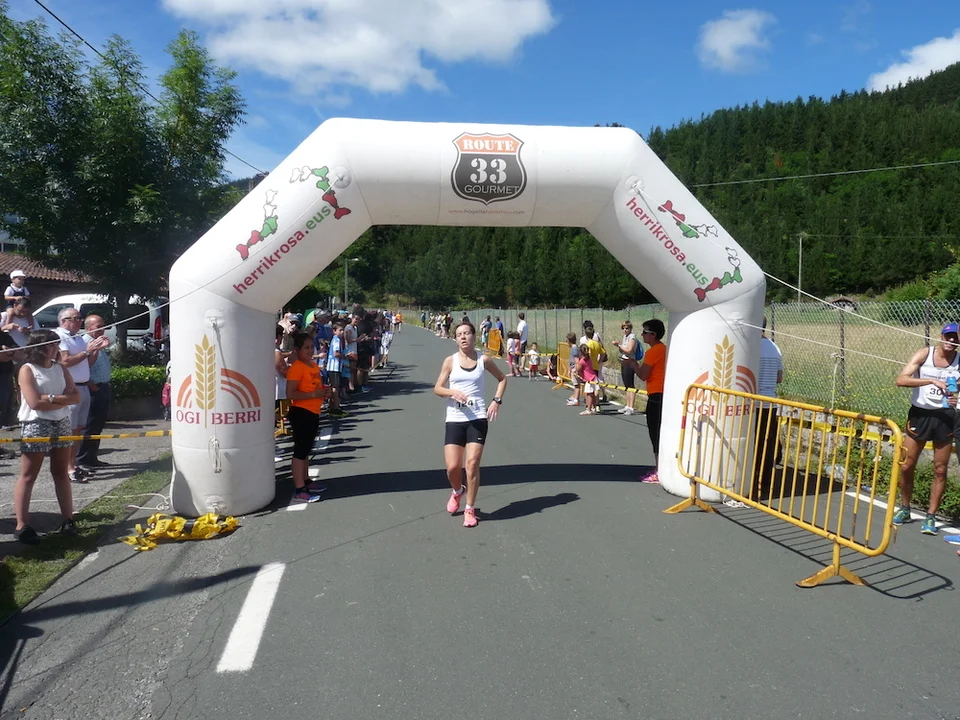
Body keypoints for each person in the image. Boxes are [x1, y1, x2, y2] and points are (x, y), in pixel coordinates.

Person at [433, 320, 507, 528]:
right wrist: (452, 392)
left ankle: (469, 508)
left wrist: (496, 401)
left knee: (472, 464)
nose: (463, 337)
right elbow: (437, 388)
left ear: (474, 336)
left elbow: (502, 379)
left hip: (477, 418)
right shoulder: (450, 361)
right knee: (452, 468)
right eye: (459, 334)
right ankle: (458, 491)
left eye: (467, 333)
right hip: (455, 418)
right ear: (455, 339)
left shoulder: (484, 360)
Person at [13, 328, 81, 544]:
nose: (55, 348)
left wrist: (50, 398)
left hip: (61, 421)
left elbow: (76, 396)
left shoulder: (60, 368)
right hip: (36, 423)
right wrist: (61, 399)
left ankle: (68, 519)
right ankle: (22, 525)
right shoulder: (28, 369)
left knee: (60, 472)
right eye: (51, 344)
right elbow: (34, 402)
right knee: (28, 475)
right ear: (39, 347)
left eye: (56, 344)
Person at [893, 323, 960, 535]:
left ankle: (931, 516)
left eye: (956, 338)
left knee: (940, 469)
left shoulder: (959, 360)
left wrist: (956, 397)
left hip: (945, 417)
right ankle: (905, 508)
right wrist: (931, 380)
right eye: (948, 336)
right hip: (920, 415)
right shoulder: (925, 354)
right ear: (941, 336)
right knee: (906, 465)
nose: (952, 341)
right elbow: (901, 380)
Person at [56, 307, 108, 483]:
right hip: (70, 388)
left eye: (80, 318)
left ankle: (74, 465)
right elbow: (64, 361)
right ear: (64, 320)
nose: (79, 321)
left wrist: (96, 349)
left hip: (83, 388)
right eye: (75, 318)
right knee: (70, 430)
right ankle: (68, 467)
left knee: (78, 429)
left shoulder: (78, 338)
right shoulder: (61, 336)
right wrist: (86, 351)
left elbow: (88, 363)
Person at [285, 332, 331, 504]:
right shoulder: (297, 367)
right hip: (301, 412)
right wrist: (313, 394)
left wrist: (324, 392)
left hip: (313, 411)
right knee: (300, 451)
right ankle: (299, 489)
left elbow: (315, 387)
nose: (310, 350)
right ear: (298, 350)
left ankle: (305, 480)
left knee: (305, 450)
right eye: (306, 348)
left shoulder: (313, 365)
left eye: (312, 347)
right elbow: (290, 393)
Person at [751, 318, 784, 500]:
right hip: (770, 402)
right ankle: (765, 482)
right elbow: (779, 378)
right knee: (767, 442)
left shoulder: (751, 347)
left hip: (752, 403)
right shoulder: (774, 348)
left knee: (752, 443)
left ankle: (750, 480)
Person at [76, 315, 112, 471]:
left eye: (103, 325)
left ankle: (92, 457)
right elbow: (84, 366)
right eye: (98, 326)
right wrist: (90, 384)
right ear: (88, 328)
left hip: (103, 386)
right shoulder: (85, 342)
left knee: (98, 425)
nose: (102, 329)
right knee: (89, 425)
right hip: (93, 388)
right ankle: (82, 459)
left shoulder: (98, 341)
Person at [637, 319, 667, 483]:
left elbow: (643, 375)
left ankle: (659, 470)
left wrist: (632, 364)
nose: (642, 335)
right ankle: (661, 468)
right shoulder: (664, 349)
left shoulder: (653, 352)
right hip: (664, 393)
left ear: (653, 335)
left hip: (656, 394)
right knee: (660, 431)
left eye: (645, 332)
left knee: (655, 432)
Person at [613, 321, 642, 415]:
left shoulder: (632, 337)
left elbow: (629, 350)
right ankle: (627, 405)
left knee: (630, 385)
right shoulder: (625, 337)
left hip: (630, 362)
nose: (625, 330)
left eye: (627, 328)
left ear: (630, 328)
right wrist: (619, 346)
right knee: (626, 385)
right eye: (623, 328)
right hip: (624, 361)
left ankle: (631, 407)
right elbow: (623, 350)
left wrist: (619, 345)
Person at [576, 343, 599, 416]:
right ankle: (593, 407)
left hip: (589, 379)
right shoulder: (589, 358)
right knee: (592, 393)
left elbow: (578, 369)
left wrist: (577, 363)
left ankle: (588, 409)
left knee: (589, 394)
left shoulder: (582, 361)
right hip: (594, 377)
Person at [565, 333, 582, 407]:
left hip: (575, 368)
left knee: (577, 385)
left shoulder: (574, 348)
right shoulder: (573, 347)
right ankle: (575, 397)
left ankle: (576, 400)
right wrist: (569, 369)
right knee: (575, 384)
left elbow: (576, 359)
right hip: (572, 367)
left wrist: (576, 369)